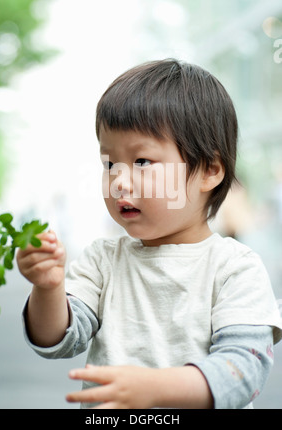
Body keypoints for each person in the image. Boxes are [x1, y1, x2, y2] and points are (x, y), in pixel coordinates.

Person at [17, 59, 282, 409]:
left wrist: (156, 388)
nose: (119, 180)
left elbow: (242, 371)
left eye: (142, 162)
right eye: (109, 163)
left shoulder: (235, 268)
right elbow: (58, 339)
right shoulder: (102, 261)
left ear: (210, 170)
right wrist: (48, 287)